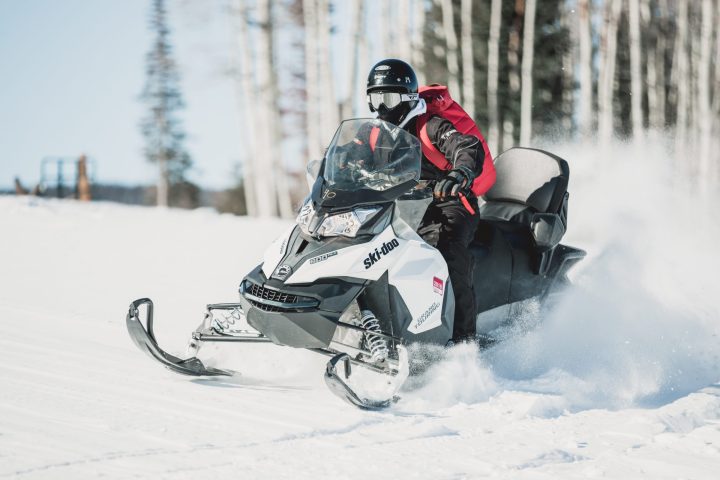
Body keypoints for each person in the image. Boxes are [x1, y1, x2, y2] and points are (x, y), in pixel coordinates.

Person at [361, 58, 496, 343]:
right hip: (401, 207)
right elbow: (350, 153)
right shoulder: (374, 133)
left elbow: (464, 145)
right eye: (376, 99)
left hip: (449, 203)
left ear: (408, 99)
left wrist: (461, 171)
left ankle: (462, 341)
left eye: (389, 98)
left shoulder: (430, 125)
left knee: (445, 253)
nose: (382, 107)